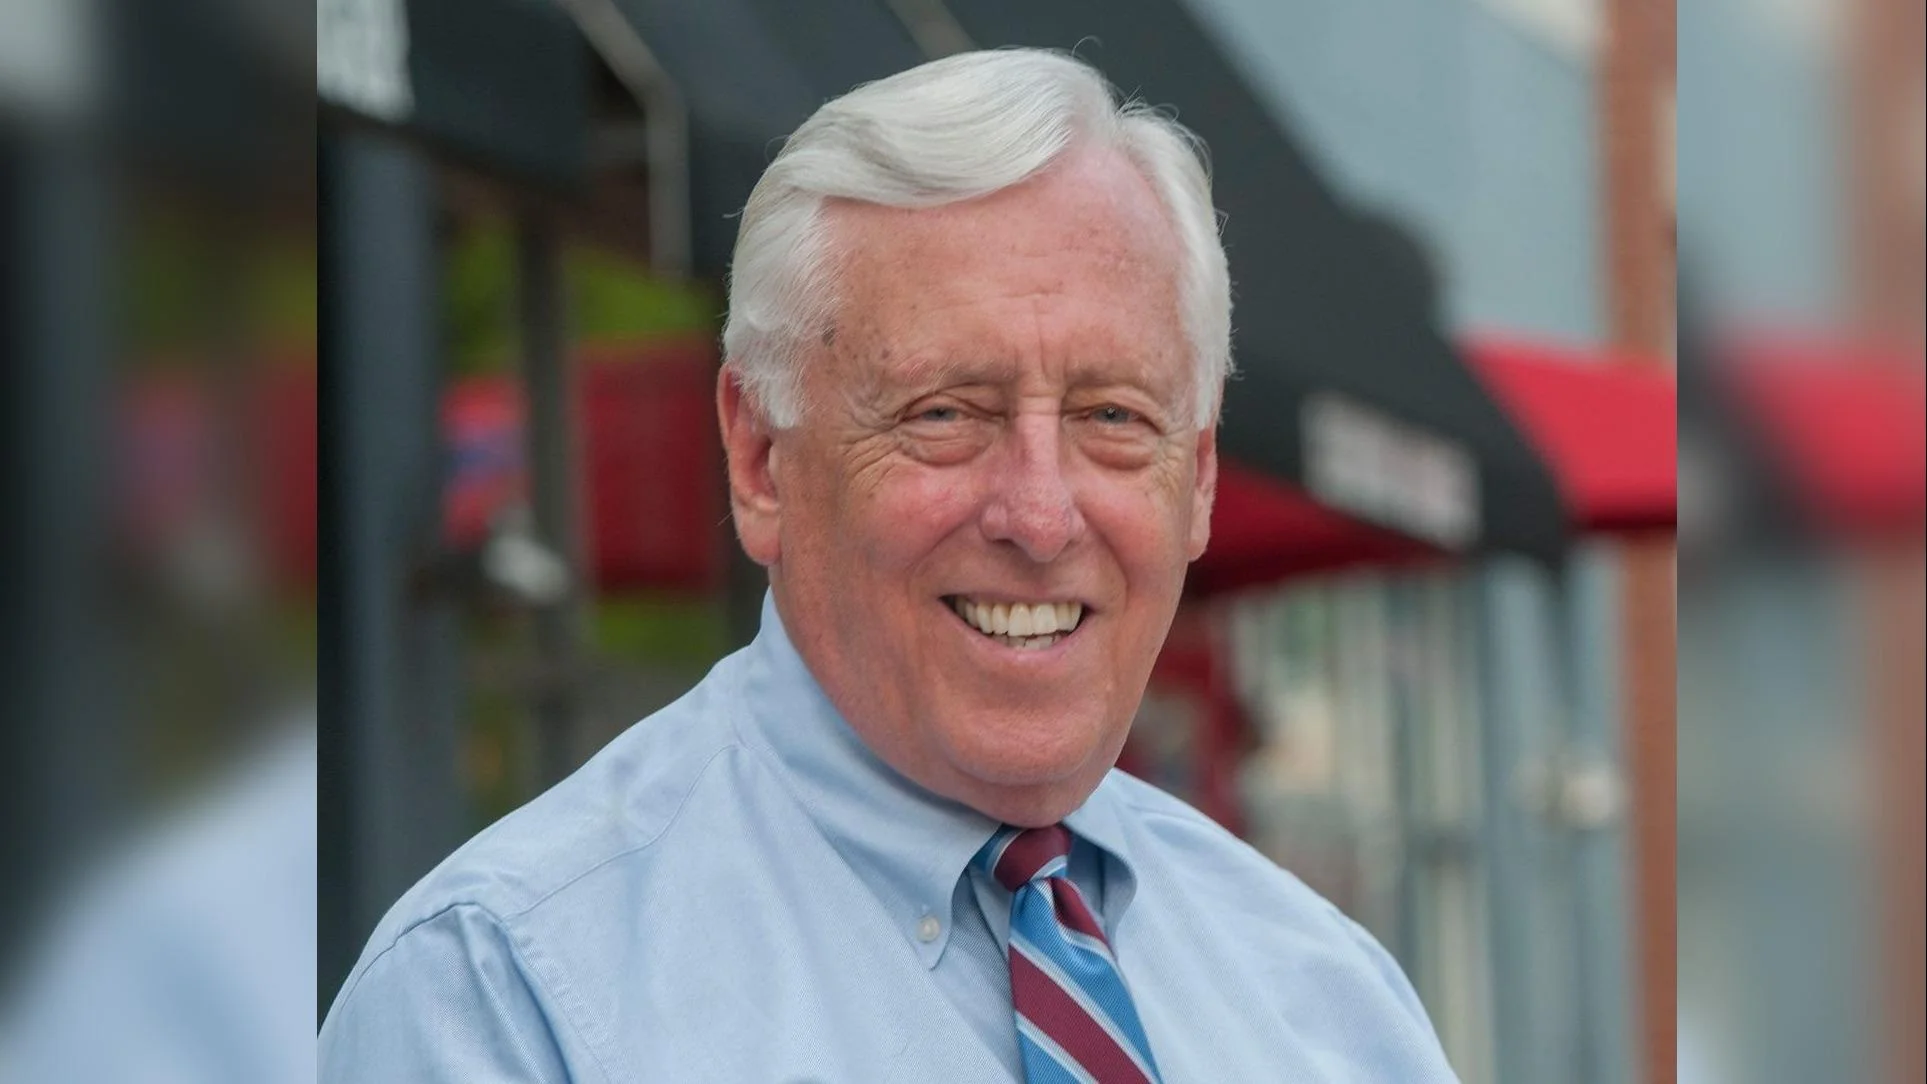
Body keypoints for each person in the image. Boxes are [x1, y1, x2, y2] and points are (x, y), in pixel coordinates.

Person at [320, 49, 1459, 1082]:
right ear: (761, 456)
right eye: (943, 412)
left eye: (1112, 415)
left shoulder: (1328, 1002)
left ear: (1198, 478)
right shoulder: (503, 995)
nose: (1040, 512)